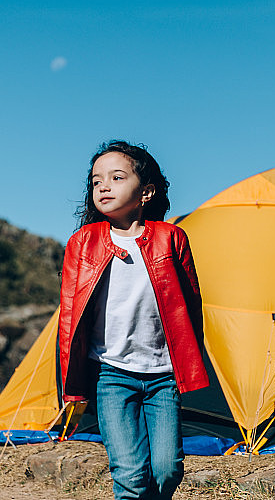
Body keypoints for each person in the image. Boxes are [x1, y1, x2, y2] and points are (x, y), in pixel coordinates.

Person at [58, 140, 209, 500]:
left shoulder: (171, 238)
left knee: (167, 469)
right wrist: (71, 380)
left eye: (116, 177)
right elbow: (69, 315)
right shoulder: (82, 243)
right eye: (96, 181)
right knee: (130, 473)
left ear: (146, 191)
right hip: (111, 373)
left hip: (163, 375)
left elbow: (191, 305)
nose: (103, 186)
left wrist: (190, 364)